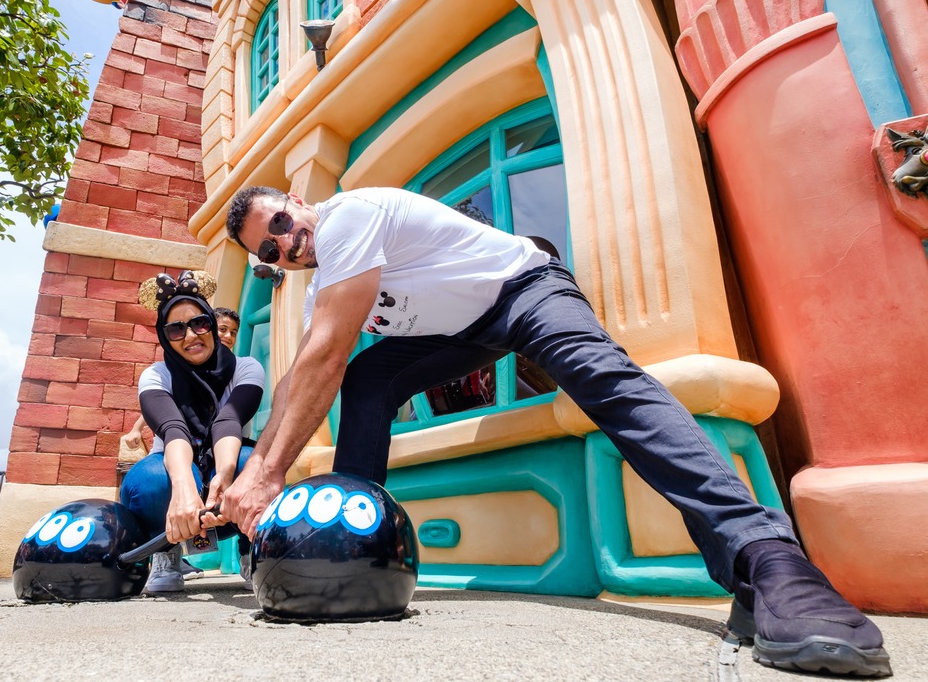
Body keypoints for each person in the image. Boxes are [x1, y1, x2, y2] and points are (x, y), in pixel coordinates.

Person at [216, 186, 891, 678]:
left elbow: (325, 352)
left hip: (523, 287)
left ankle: (765, 559)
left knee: (605, 380)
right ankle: (349, 555)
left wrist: (266, 473)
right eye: (270, 249)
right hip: (463, 331)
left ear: (300, 202)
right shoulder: (318, 287)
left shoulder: (351, 216)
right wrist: (252, 475)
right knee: (368, 381)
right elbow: (307, 373)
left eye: (281, 222)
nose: (286, 242)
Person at [119, 270, 264, 594]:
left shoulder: (247, 368)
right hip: (174, 474)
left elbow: (229, 419)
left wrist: (224, 476)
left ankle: (251, 550)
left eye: (199, 323)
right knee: (152, 481)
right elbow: (174, 430)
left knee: (252, 464)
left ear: (210, 324)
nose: (190, 336)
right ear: (164, 335)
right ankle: (165, 554)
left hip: (222, 488)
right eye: (175, 329)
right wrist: (184, 487)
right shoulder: (156, 376)